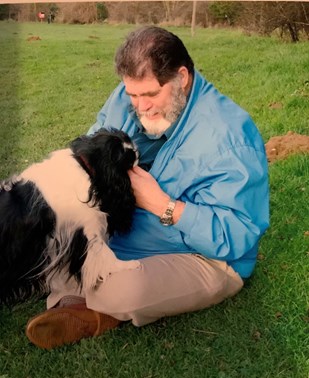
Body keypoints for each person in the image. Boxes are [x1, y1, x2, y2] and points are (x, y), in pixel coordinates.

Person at [26, 26, 269, 349]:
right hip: (127, 233)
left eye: (151, 95)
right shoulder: (132, 94)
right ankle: (83, 296)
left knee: (124, 287)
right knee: (49, 231)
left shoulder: (229, 138)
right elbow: (92, 149)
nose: (141, 107)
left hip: (205, 256)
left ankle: (95, 307)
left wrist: (162, 205)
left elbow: (235, 237)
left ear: (182, 77)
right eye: (133, 96)